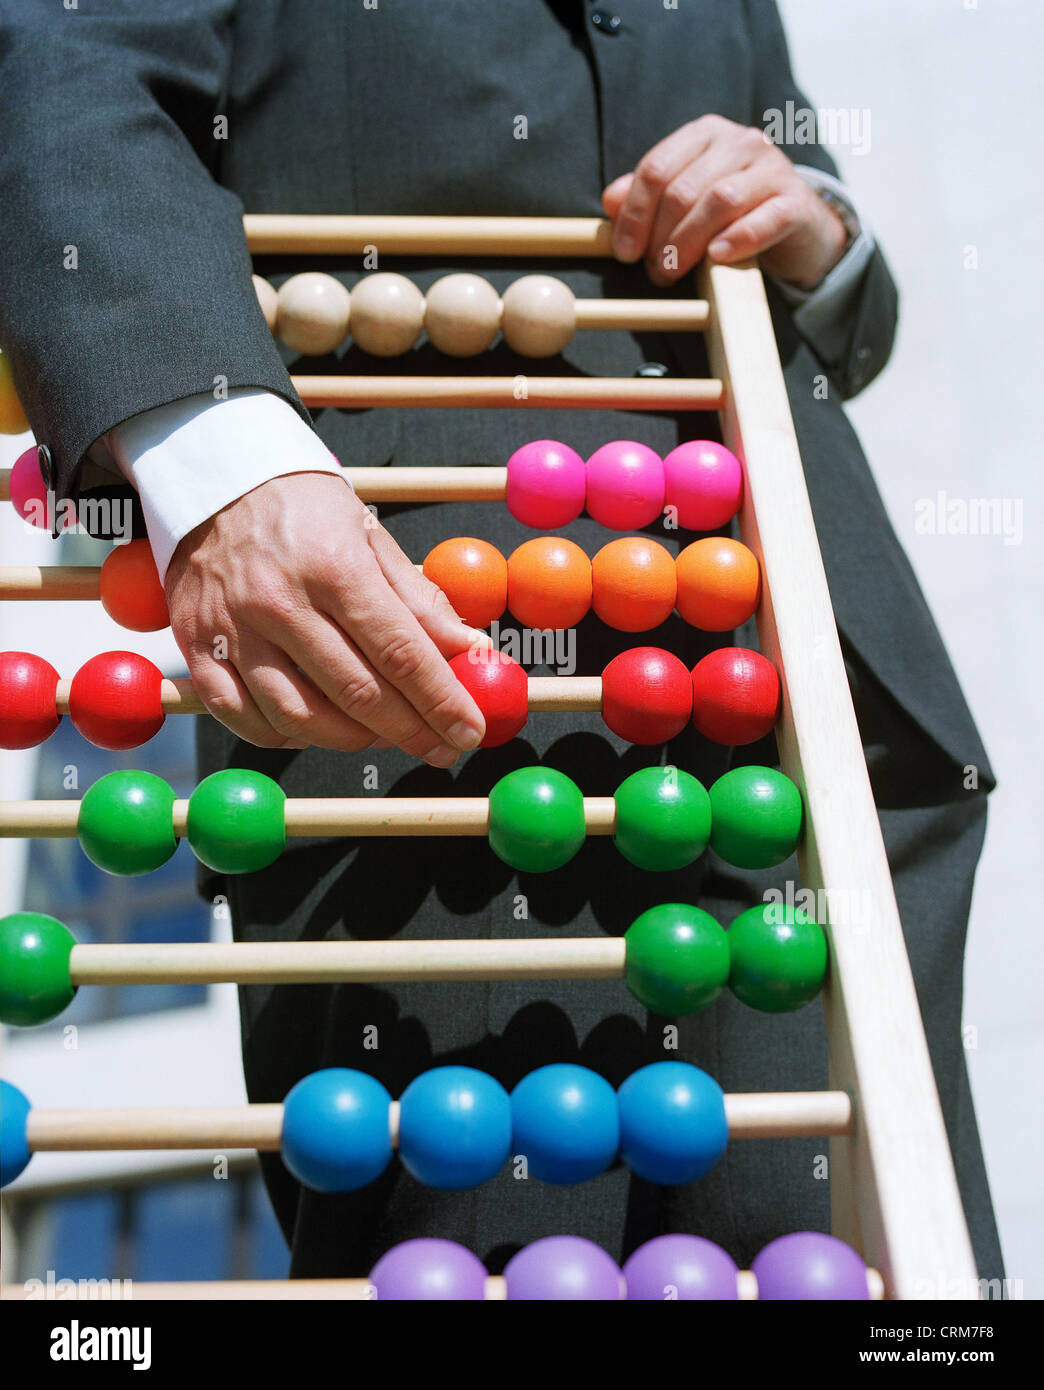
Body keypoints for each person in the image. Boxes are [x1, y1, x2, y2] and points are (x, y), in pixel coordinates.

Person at [0, 0, 1002, 1281]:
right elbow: (74, 77)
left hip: (814, 658)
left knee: (884, 1258)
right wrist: (220, 463)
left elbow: (834, 269)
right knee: (497, 1228)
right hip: (428, 650)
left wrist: (814, 224)